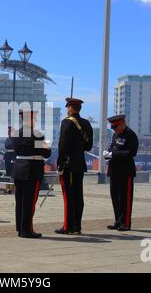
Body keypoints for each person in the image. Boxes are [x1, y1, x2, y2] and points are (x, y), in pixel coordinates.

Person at [56, 98, 93, 235]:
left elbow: (63, 145)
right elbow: (88, 146)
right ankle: (77, 226)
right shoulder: (87, 123)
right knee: (78, 195)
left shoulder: (67, 122)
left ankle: (68, 226)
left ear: (70, 108)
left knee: (68, 196)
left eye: (67, 107)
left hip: (68, 165)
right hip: (80, 164)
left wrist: (60, 163)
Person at [12, 110, 51, 239]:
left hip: (18, 169)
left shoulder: (16, 133)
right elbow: (46, 153)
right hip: (31, 170)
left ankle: (20, 228)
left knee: (20, 201)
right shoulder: (37, 134)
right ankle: (27, 230)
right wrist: (48, 147)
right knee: (29, 201)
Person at [105, 115, 139, 232]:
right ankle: (118, 221)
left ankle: (126, 223)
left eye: (116, 127)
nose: (115, 130)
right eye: (113, 128)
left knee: (125, 198)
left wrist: (113, 154)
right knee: (115, 197)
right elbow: (112, 148)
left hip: (125, 171)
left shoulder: (130, 135)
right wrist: (108, 154)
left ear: (123, 123)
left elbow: (131, 153)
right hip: (114, 170)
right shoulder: (115, 135)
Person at [4, 126, 16, 193]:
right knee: (7, 173)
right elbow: (6, 147)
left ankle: (12, 188)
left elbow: (16, 150)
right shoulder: (7, 139)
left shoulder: (15, 139)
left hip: (13, 156)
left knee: (12, 173)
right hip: (7, 156)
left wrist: (13, 159)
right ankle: (7, 188)